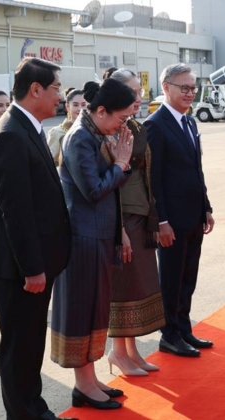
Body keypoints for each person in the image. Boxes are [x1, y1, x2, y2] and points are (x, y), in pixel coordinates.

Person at [0, 57, 74, 420]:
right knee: (20, 347)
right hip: (19, 269)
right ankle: (22, 413)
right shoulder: (8, 135)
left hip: (34, 264)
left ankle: (33, 408)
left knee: (31, 342)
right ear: (35, 89)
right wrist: (33, 268)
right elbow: (14, 213)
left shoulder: (28, 127)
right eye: (55, 89)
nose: (60, 96)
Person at [50, 78, 134, 410]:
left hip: (97, 235)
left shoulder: (96, 134)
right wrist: (120, 163)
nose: (123, 124)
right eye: (121, 118)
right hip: (82, 239)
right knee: (82, 311)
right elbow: (94, 189)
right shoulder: (80, 138)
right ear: (101, 111)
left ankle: (90, 378)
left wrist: (118, 162)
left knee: (96, 308)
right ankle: (83, 385)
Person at [145, 63, 215, 357]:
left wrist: (206, 207)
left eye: (192, 88)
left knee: (189, 276)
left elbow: (195, 169)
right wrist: (161, 221)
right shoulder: (155, 125)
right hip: (170, 220)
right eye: (183, 88)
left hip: (193, 216)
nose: (190, 93)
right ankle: (169, 334)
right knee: (171, 279)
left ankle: (184, 327)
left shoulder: (189, 122)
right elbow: (153, 179)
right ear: (166, 88)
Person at [102, 68, 165, 376]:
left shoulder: (135, 126)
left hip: (141, 213)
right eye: (131, 94)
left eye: (139, 93)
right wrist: (118, 229)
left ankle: (131, 351)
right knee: (123, 287)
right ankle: (117, 352)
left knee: (138, 285)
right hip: (121, 216)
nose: (138, 99)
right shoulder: (107, 129)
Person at [47, 88, 85, 166]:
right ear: (67, 106)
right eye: (75, 105)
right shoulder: (56, 132)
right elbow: (51, 164)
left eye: (83, 105)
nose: (80, 109)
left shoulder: (93, 131)